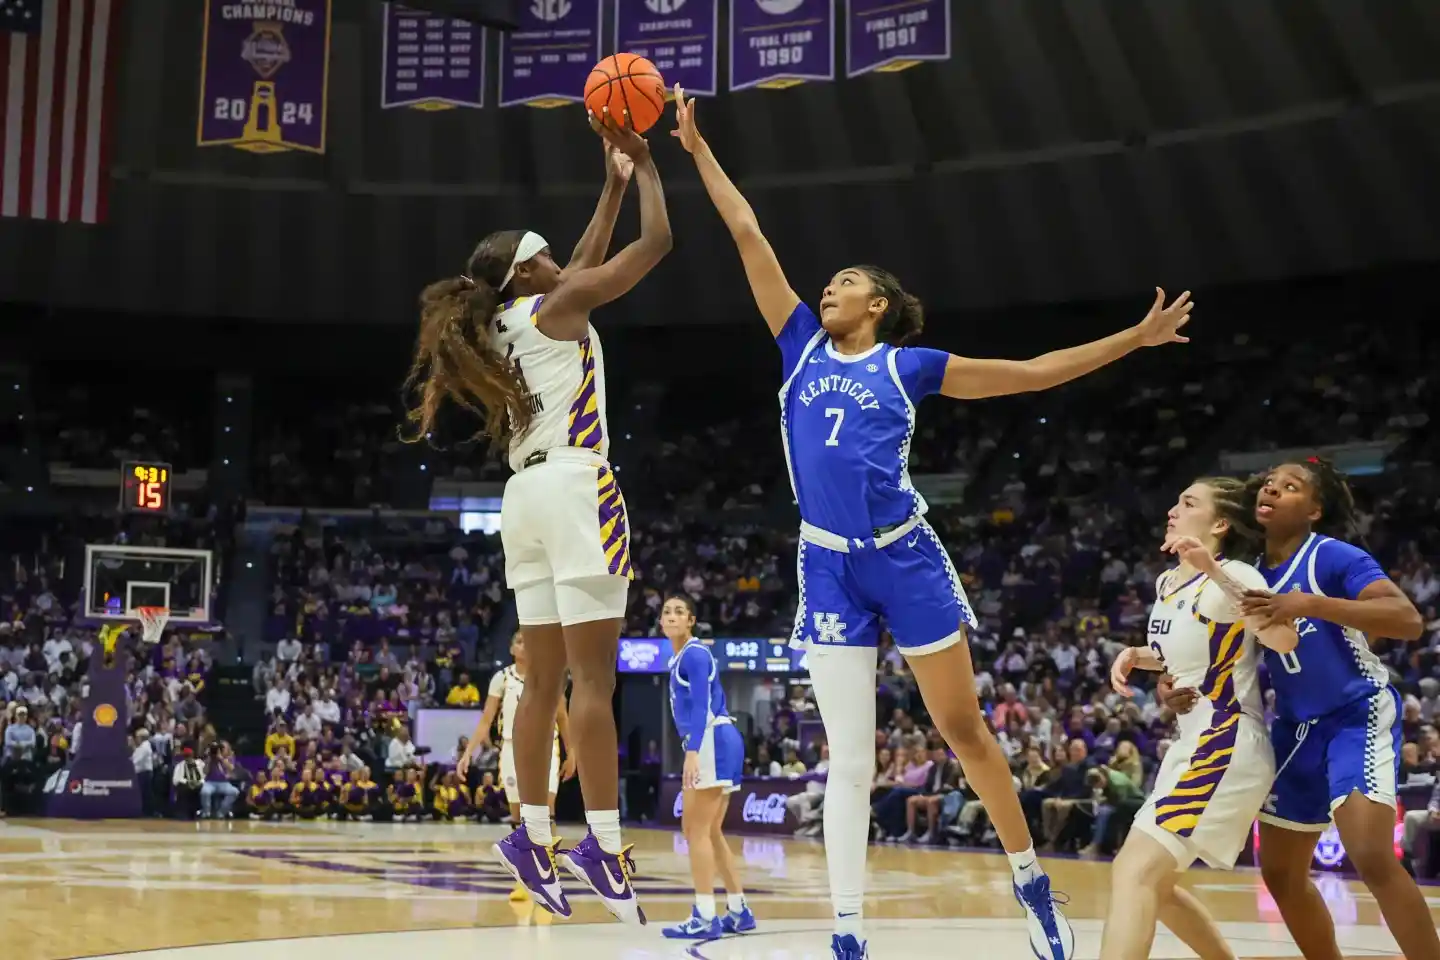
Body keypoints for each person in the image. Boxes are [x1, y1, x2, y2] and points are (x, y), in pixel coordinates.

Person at [669, 83, 1193, 960]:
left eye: (845, 283)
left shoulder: (910, 365)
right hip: (828, 562)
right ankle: (846, 930)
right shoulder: (797, 342)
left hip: (905, 556)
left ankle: (1031, 878)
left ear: (876, 304)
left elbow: (1027, 373)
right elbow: (748, 235)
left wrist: (1127, 343)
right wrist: (697, 152)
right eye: (828, 282)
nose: (827, 288)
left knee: (964, 730)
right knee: (850, 754)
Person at [402, 105, 670, 924]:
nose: (561, 260)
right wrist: (650, 167)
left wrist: (609, 183)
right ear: (525, 272)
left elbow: (582, 262)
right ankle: (602, 840)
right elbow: (650, 251)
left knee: (540, 679)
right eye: (545, 255)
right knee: (594, 679)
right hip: (577, 488)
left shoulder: (511, 322)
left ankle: (529, 831)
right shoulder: (560, 307)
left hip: (523, 497)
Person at [1239, 459, 1433, 960]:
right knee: (1280, 873)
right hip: (1295, 728)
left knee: (1369, 853)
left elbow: (1407, 620)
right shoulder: (1247, 572)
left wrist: (1311, 604)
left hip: (1356, 713)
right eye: (1269, 483)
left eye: (1290, 486)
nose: (1273, 489)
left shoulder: (1329, 555)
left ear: (1315, 509)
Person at [1100, 478, 1299, 960]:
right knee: (1158, 886)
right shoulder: (1168, 582)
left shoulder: (1236, 574)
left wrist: (1212, 568)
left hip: (1226, 740)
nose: (1173, 509)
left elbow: (1283, 638)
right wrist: (1138, 657)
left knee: (1134, 872)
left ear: (1220, 524)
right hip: (1190, 740)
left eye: (1188, 503)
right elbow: (1187, 654)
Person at [657, 595, 756, 939]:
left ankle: (704, 915)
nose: (672, 616)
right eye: (666, 612)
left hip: (712, 739)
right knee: (709, 832)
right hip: (720, 740)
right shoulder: (680, 657)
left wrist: (693, 750)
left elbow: (700, 706)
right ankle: (739, 910)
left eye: (679, 611)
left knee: (694, 831)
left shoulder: (695, 654)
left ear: (691, 621)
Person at [459, 631, 577, 902]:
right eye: (520, 640)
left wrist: (573, 752)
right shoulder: (501, 678)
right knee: (518, 817)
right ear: (512, 648)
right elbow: (486, 720)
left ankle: (548, 878)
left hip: (547, 747)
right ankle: (524, 880)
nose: (525, 645)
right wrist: (468, 753)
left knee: (546, 814)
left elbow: (563, 717)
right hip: (512, 748)